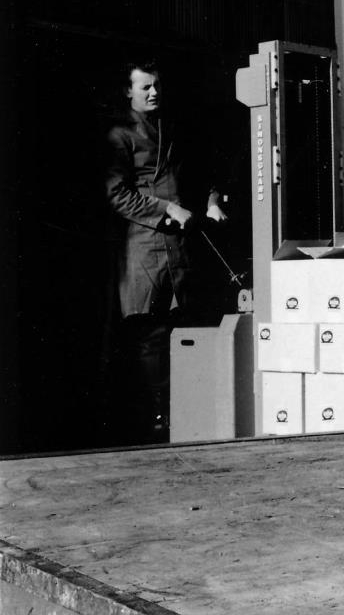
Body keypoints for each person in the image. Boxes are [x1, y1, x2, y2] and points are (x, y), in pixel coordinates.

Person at [105, 61, 226, 442]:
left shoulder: (171, 128)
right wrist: (167, 209)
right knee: (151, 338)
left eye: (157, 85)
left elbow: (198, 172)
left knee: (183, 332)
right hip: (145, 251)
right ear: (128, 91)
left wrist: (211, 200)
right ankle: (156, 423)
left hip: (179, 251)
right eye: (145, 87)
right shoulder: (120, 135)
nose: (154, 92)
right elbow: (117, 195)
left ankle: (181, 418)